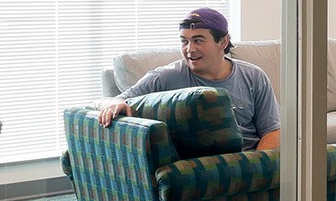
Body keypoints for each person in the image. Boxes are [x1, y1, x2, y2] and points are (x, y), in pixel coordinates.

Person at [96, 8, 282, 152]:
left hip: (252, 162)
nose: (190, 49)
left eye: (199, 40)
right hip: (199, 168)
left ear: (223, 42)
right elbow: (111, 100)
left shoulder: (253, 76)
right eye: (184, 41)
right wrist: (113, 102)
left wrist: (253, 169)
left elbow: (273, 131)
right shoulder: (166, 77)